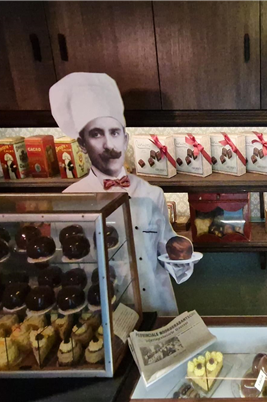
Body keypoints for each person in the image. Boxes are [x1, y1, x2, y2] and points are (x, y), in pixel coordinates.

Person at [49, 72, 193, 315]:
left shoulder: (152, 193)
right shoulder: (68, 200)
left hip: (154, 305)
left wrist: (182, 255)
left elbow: (167, 249)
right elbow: (62, 267)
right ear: (82, 144)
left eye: (115, 132)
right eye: (96, 134)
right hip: (101, 312)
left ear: (125, 140)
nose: (109, 145)